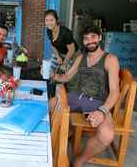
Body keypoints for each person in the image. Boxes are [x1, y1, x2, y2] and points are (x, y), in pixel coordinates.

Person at [50, 25, 120, 167]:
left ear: (100, 38)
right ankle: (62, 136)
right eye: (86, 38)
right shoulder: (81, 57)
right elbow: (68, 77)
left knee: (106, 135)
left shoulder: (110, 59)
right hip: (77, 97)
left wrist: (102, 111)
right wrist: (53, 75)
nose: (90, 41)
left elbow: (114, 91)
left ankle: (79, 160)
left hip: (98, 103)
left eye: (93, 37)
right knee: (50, 104)